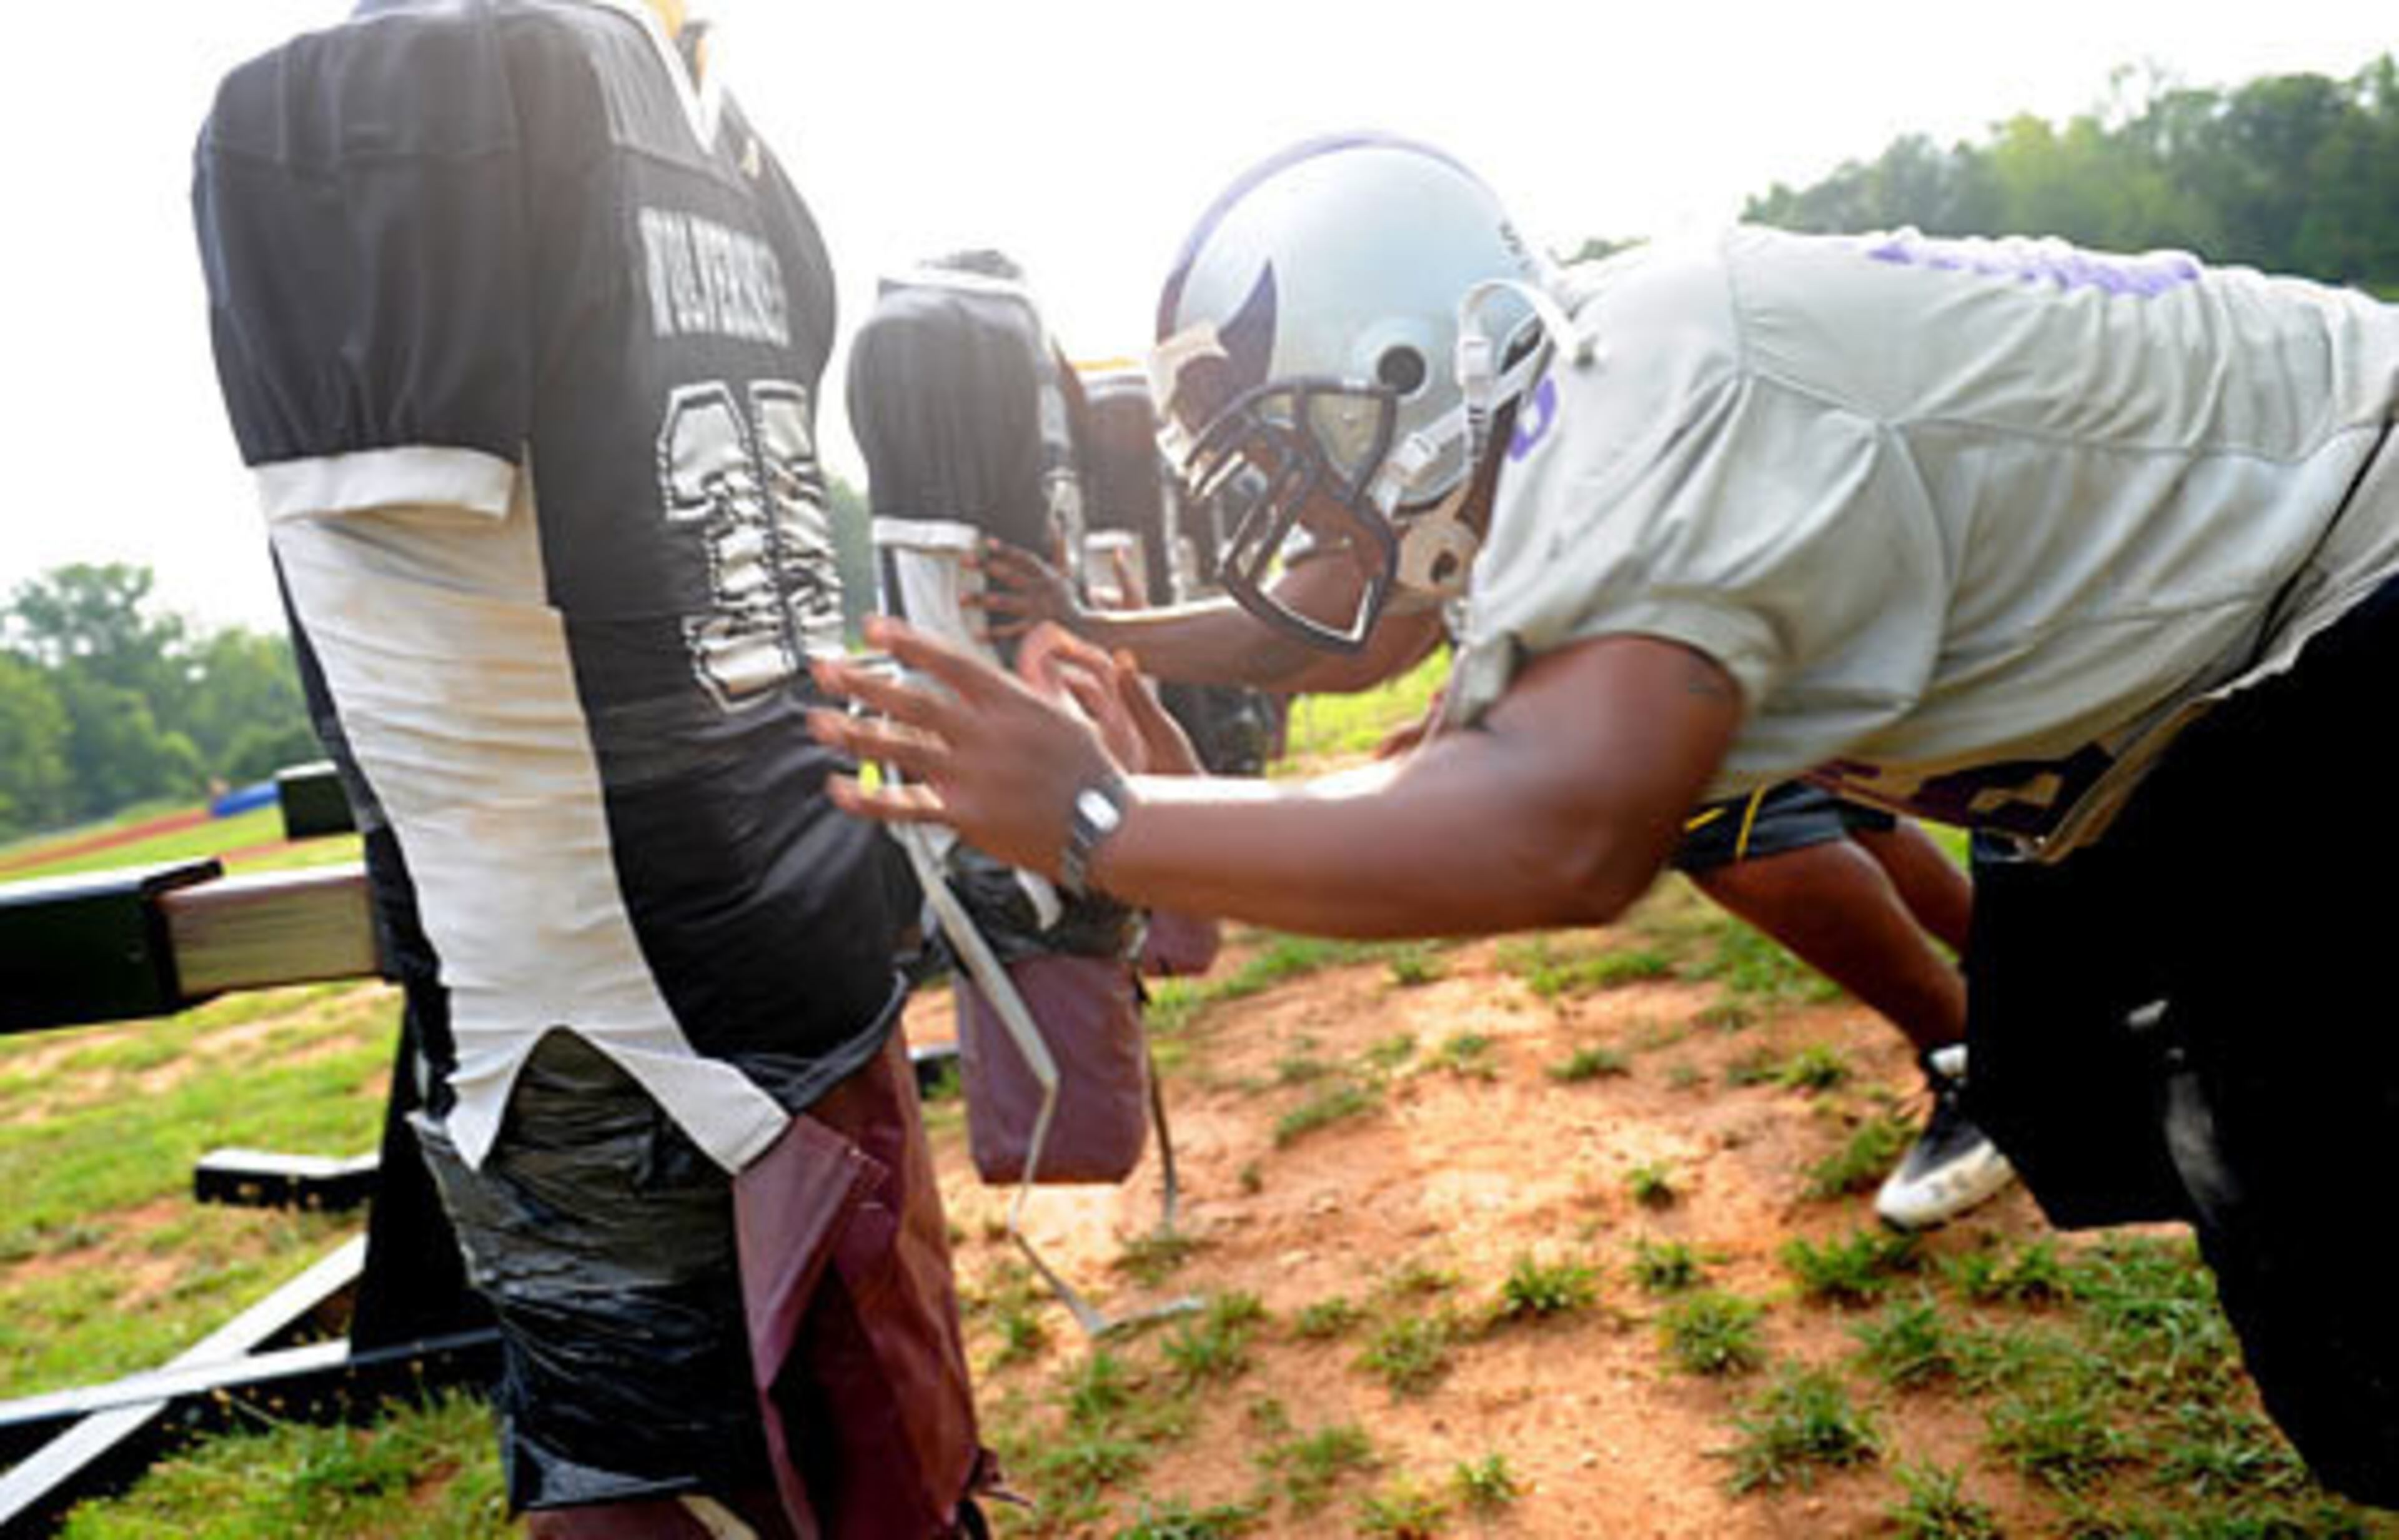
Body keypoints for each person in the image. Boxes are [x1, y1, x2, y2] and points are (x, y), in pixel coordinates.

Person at [805, 132, 2399, 1504]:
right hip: (2210, 702)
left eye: (1292, 446)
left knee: (2349, 1309)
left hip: (2340, 618)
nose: (1283, 509)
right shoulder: (1596, 427)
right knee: (2101, 1103)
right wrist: (1126, 769)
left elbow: (1552, 835)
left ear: (1413, 360)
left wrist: (1095, 814)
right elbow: (1423, 764)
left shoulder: (1660, 368)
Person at [192, 3, 990, 1534]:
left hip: (606, 1007)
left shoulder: (423, 92)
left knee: (679, 1481)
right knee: (863, 1456)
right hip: (766, 948)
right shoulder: (714, 138)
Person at [973, 445, 2009, 1232]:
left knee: (1740, 833)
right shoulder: (1493, 441)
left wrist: (1105, 646)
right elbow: (1411, 624)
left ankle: (1982, 1062)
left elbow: (1339, 625)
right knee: (1841, 806)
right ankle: (2033, 983)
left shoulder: (1556, 431)